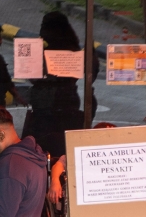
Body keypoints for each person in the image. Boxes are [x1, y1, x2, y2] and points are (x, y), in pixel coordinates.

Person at [23, 11, 96, 158]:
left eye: (44, 27)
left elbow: (89, 72)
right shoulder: (70, 49)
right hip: (53, 105)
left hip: (56, 106)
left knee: (48, 145)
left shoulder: (66, 51)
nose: (41, 32)